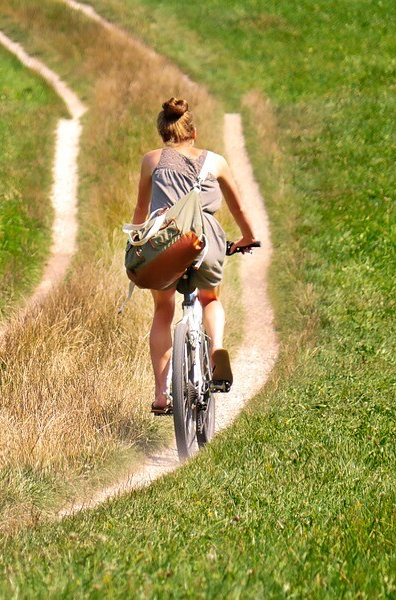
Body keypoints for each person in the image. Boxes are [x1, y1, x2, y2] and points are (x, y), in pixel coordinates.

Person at [131, 97, 258, 415]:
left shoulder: (151, 160)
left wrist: (137, 241)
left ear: (163, 134)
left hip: (165, 241)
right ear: (194, 132)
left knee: (163, 310)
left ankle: (161, 394)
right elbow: (238, 208)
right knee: (209, 299)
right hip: (206, 241)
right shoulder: (215, 162)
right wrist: (248, 237)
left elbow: (139, 210)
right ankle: (215, 350)